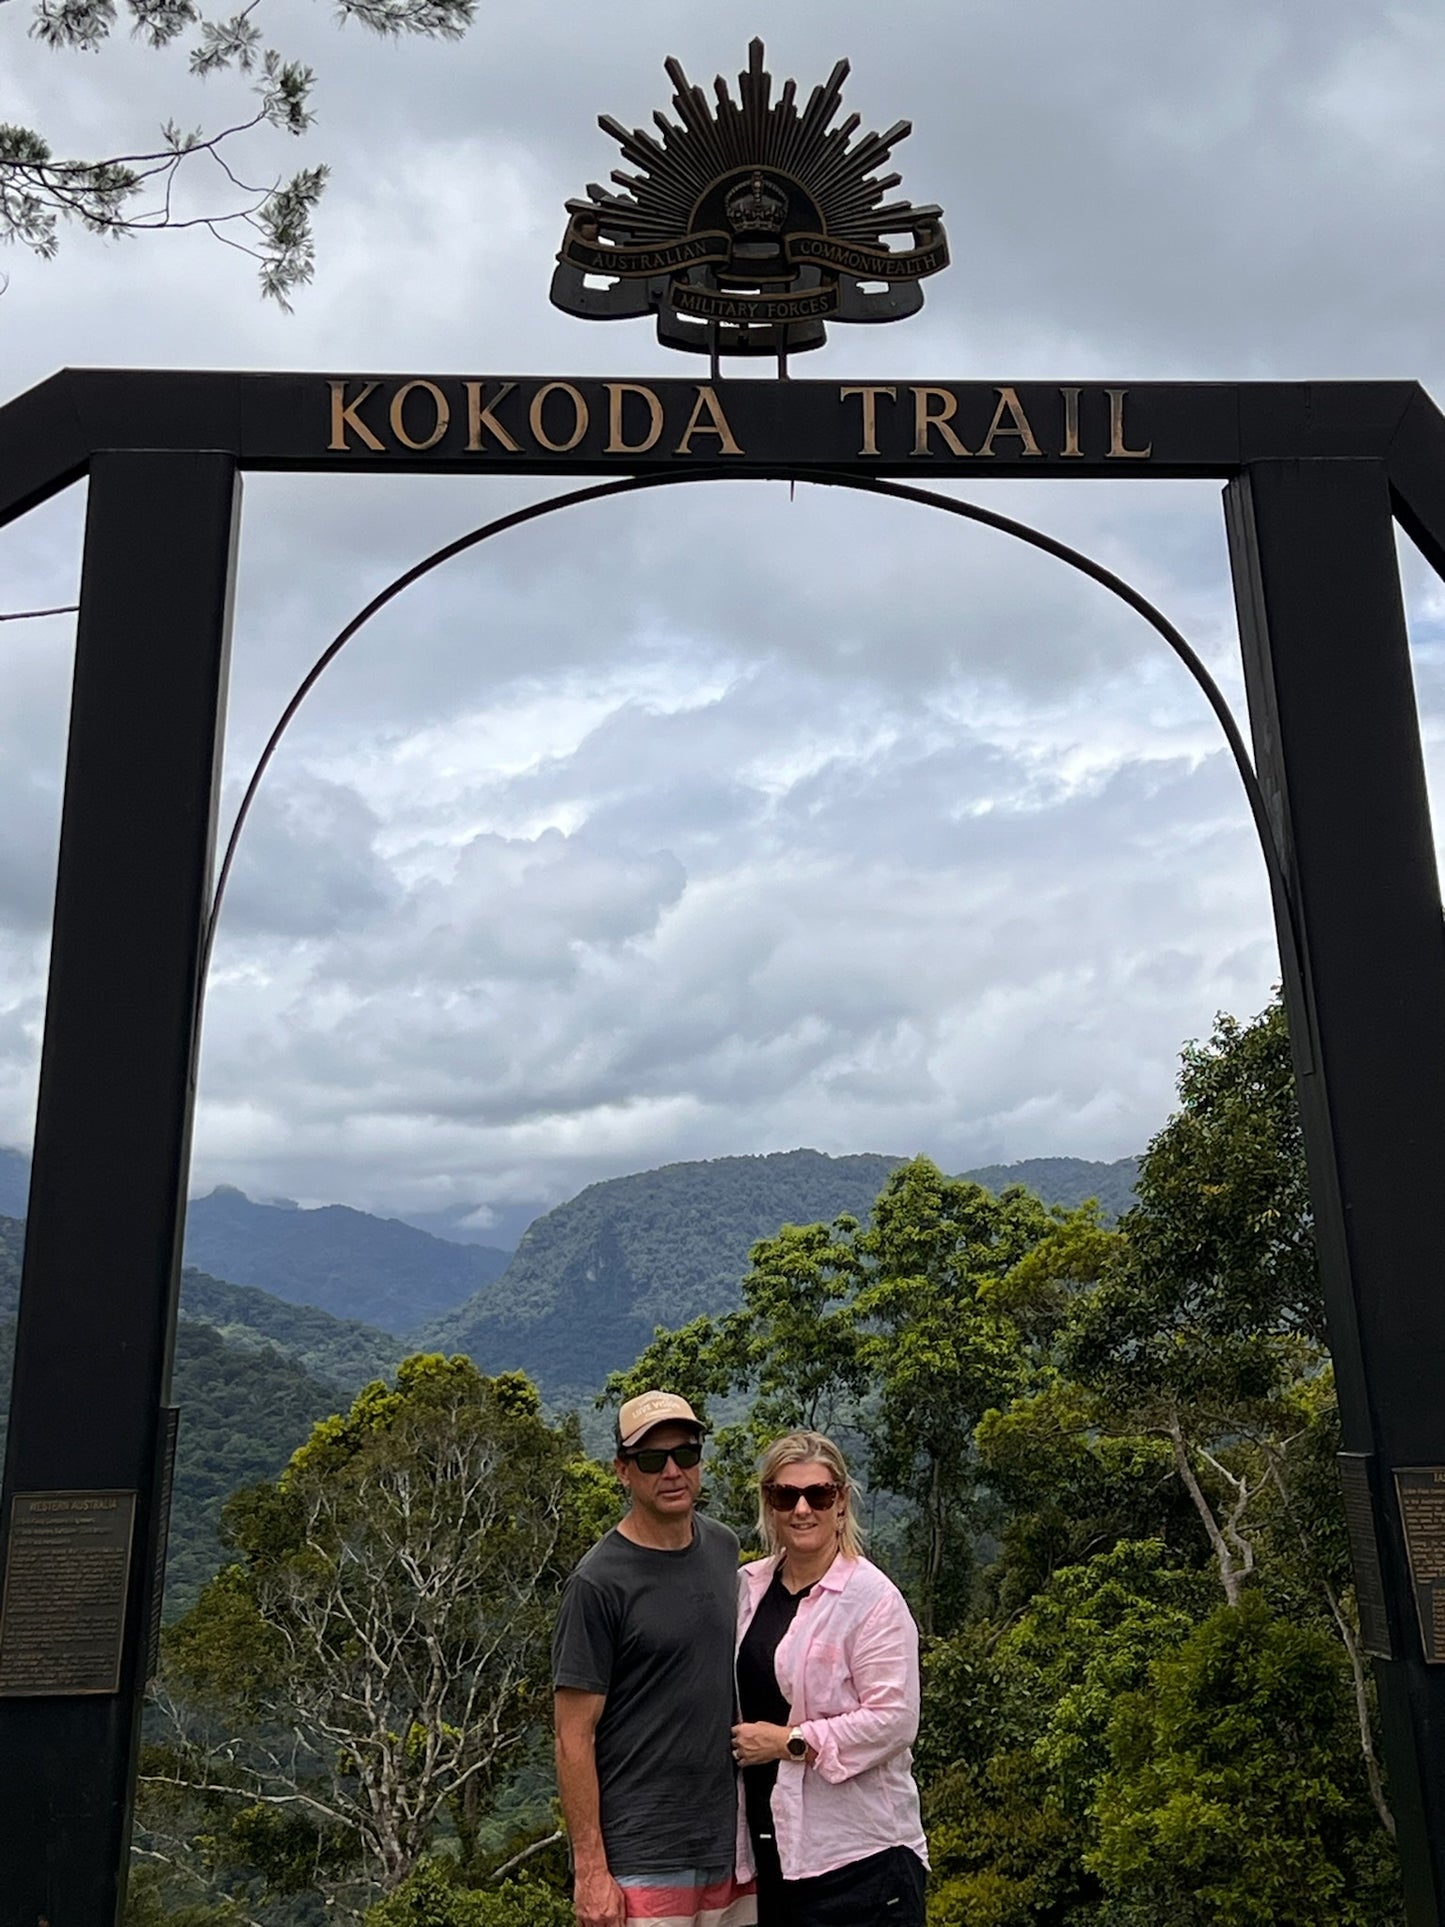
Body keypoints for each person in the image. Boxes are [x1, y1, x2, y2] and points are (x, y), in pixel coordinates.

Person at [552, 1389, 758, 1927]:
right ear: (622, 1471)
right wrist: (591, 1871)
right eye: (651, 1459)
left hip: (727, 1846)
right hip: (641, 1855)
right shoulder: (598, 1583)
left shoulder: (723, 1547)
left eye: (685, 1455)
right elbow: (573, 1734)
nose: (672, 1472)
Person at [730, 1430, 928, 1926]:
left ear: (840, 1502)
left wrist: (789, 1742)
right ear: (768, 1503)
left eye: (818, 1494)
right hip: (772, 1857)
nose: (802, 1509)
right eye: (785, 1495)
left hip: (861, 1859)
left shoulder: (872, 1600)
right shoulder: (746, 1590)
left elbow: (894, 1720)